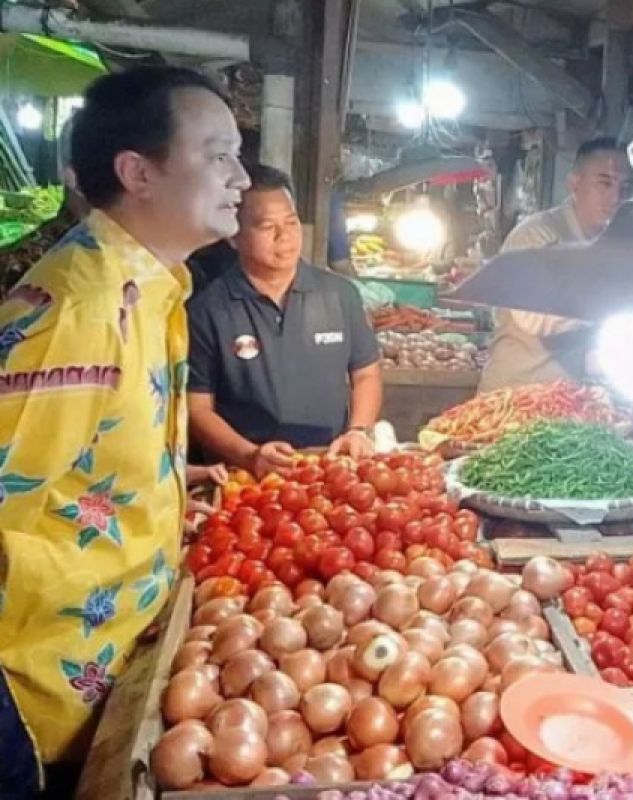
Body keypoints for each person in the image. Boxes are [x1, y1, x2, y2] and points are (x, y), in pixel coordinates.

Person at [0, 66, 250, 795]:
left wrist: (165, 479)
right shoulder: (79, 314)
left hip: (106, 672)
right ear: (138, 172)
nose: (240, 177)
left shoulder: (147, 291)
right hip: (33, 704)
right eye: (217, 155)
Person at [187, 164, 382, 478]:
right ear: (233, 236)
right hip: (246, 477)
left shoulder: (339, 295)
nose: (285, 236)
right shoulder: (208, 310)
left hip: (330, 469)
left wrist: (359, 430)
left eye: (291, 222)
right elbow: (197, 408)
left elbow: (366, 374)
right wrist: (250, 456)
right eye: (267, 226)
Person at [478, 137, 633, 392]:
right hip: (515, 396)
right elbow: (535, 317)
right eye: (604, 183)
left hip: (567, 398)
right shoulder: (537, 236)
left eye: (625, 187)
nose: (615, 196)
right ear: (574, 184)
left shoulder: (613, 247)